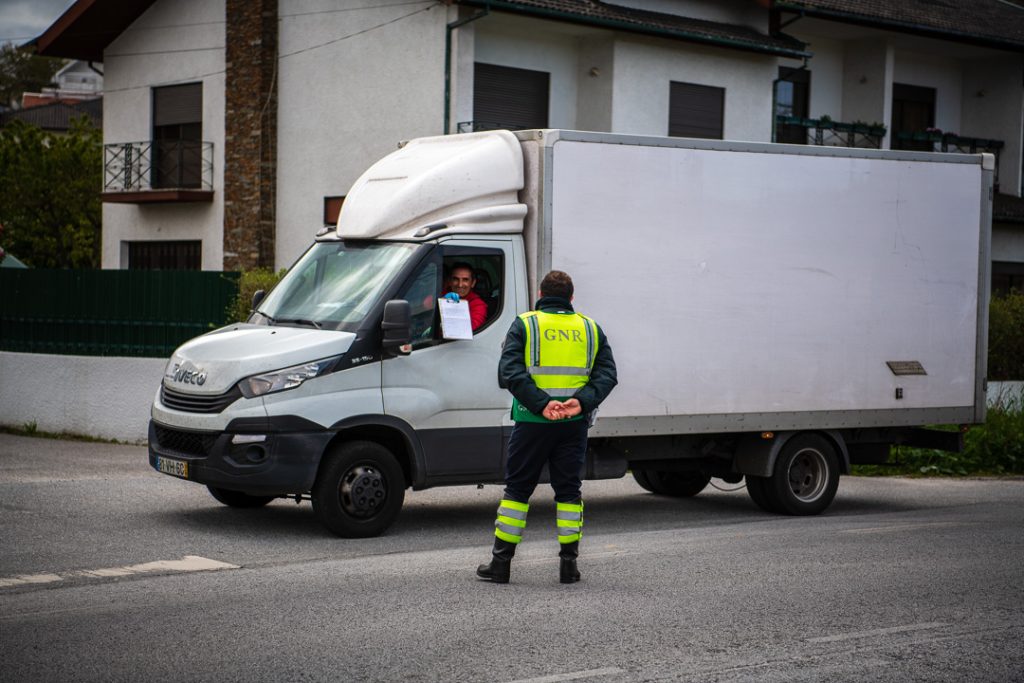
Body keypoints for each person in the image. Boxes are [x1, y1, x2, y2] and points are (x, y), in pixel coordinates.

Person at [476, 270, 617, 584]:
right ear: (571, 298)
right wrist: (581, 402)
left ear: (541, 295)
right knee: (568, 491)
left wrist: (542, 404)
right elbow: (607, 375)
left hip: (531, 421)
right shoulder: (590, 328)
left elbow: (509, 373)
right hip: (573, 423)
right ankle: (569, 566)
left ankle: (501, 564)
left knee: (517, 491)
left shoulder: (525, 324)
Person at [443, 262, 488, 331]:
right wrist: (441, 301)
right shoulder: (443, 294)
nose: (460, 285)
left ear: (473, 283)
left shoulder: (478, 305)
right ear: (449, 281)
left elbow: (470, 329)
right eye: (456, 279)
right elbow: (425, 307)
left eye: (465, 280)